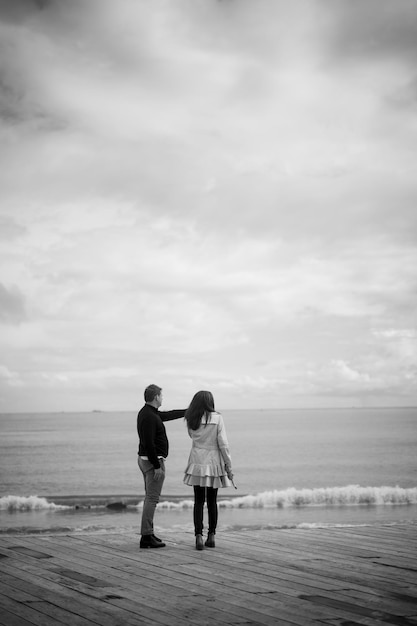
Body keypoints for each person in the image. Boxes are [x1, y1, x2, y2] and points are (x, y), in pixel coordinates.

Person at [183, 390, 234, 550]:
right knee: (212, 501)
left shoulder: (191, 419)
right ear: (210, 402)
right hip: (213, 462)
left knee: (198, 501)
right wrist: (228, 465)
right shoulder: (218, 418)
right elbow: (223, 444)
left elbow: (192, 436)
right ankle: (211, 535)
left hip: (197, 460)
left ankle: (198, 536)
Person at [137, 384, 185, 549]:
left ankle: (148, 533)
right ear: (156, 397)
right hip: (152, 462)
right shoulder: (149, 416)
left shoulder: (149, 412)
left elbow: (167, 415)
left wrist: (187, 411)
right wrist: (157, 465)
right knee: (152, 499)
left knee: (149, 498)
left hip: (146, 460)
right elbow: (149, 443)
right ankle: (146, 537)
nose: (163, 398)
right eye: (161, 396)